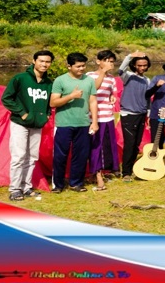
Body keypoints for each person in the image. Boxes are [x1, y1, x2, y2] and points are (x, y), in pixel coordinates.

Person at [1, 50, 54, 201]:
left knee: (32, 157)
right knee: (18, 156)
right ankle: (15, 189)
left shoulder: (49, 83)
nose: (44, 64)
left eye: (47, 62)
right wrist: (22, 113)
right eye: (41, 61)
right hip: (20, 123)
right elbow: (6, 98)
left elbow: (49, 103)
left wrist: (47, 115)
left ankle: (26, 187)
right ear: (34, 61)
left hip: (37, 124)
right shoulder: (20, 78)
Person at [49, 52, 98, 193]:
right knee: (60, 155)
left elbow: (93, 101)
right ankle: (58, 184)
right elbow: (53, 102)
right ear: (69, 66)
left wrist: (94, 121)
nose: (81, 69)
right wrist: (71, 96)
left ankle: (76, 183)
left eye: (83, 66)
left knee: (81, 155)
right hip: (64, 124)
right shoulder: (60, 80)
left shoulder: (89, 81)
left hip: (83, 123)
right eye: (78, 66)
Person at [87, 49, 120, 191]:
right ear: (98, 61)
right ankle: (97, 176)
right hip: (94, 117)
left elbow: (112, 94)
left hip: (108, 117)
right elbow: (94, 88)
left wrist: (113, 97)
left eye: (112, 61)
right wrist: (102, 72)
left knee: (107, 146)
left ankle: (101, 172)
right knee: (96, 147)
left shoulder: (112, 79)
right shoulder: (89, 76)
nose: (110, 64)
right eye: (106, 61)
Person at [117, 51, 152, 182]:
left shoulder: (147, 80)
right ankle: (125, 172)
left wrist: (148, 113)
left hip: (141, 115)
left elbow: (148, 98)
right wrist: (130, 56)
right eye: (139, 65)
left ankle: (132, 168)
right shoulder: (128, 76)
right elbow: (121, 69)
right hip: (128, 114)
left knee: (137, 144)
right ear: (134, 66)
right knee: (129, 144)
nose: (142, 67)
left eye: (145, 65)